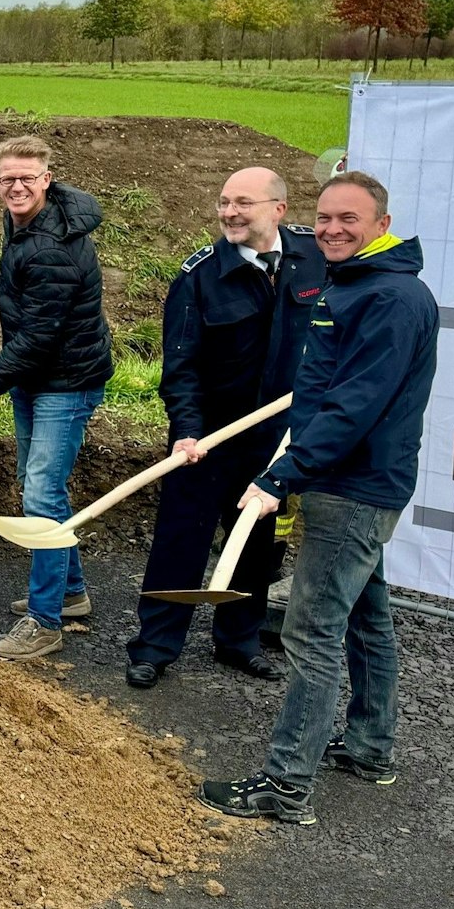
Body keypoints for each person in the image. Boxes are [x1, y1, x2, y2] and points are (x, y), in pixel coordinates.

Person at [200, 172, 438, 826]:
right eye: (325, 217)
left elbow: (355, 403)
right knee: (366, 616)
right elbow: (335, 390)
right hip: (362, 481)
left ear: (382, 222)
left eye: (349, 219)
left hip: (351, 487)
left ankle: (286, 784)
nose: (332, 229)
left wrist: (284, 474)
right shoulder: (362, 283)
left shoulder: (389, 297)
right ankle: (368, 745)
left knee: (312, 632)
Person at [123, 168, 328, 689]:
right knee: (180, 540)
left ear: (278, 209)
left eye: (243, 203)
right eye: (223, 203)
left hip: (277, 434)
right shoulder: (199, 277)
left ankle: (239, 639)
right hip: (209, 437)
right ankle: (154, 646)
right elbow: (182, 366)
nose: (230, 213)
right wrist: (187, 430)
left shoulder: (314, 257)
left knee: (259, 541)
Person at [0, 136, 113, 661]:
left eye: (28, 177)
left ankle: (45, 621)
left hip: (64, 381)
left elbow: (38, 336)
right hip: (38, 374)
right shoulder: (29, 222)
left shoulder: (50, 248)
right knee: (38, 485)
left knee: (41, 497)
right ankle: (70, 593)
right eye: (8, 179)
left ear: (48, 178)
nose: (17, 187)